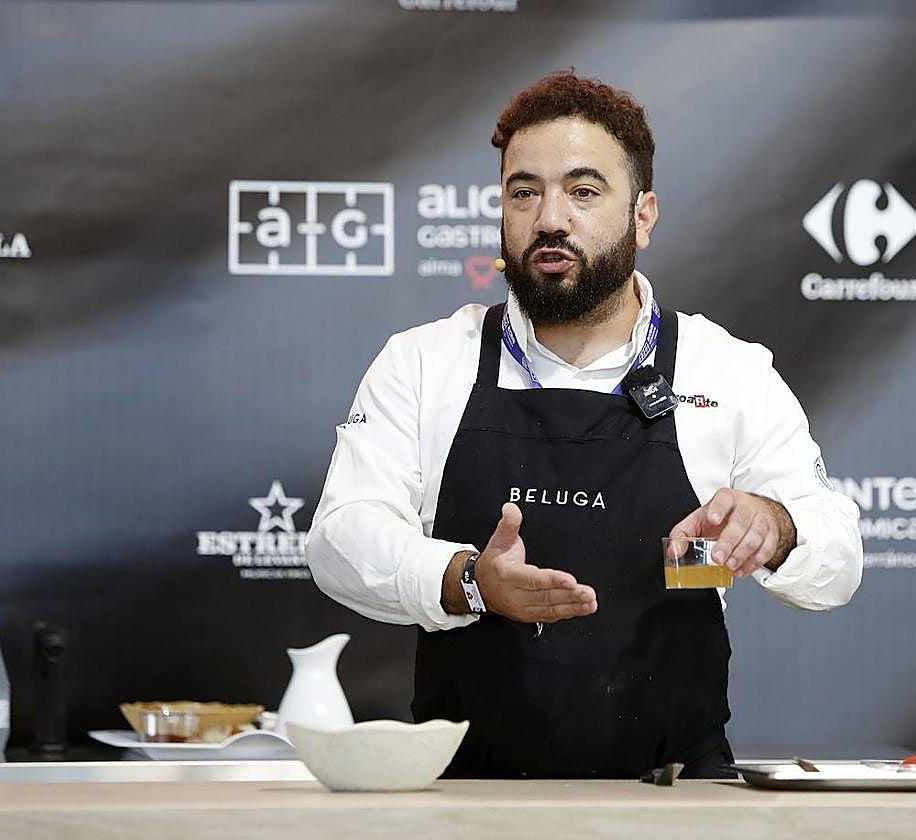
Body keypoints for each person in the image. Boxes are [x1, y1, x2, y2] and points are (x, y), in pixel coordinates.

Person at [307, 71, 862, 779]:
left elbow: (837, 562)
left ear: (643, 215)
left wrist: (776, 527)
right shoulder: (423, 362)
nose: (549, 218)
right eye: (524, 192)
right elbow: (341, 537)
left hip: (677, 802)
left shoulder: (728, 371)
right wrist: (468, 579)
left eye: (584, 191)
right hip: (465, 800)